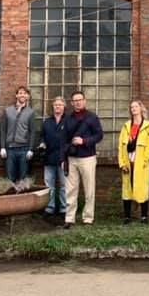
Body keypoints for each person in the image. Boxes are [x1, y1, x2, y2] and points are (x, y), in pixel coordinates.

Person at [62, 90, 103, 228]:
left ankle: (88, 218)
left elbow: (99, 136)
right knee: (70, 190)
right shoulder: (68, 118)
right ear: (72, 103)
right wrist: (63, 159)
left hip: (87, 158)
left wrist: (84, 141)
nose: (78, 102)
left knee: (89, 189)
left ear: (84, 101)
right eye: (75, 100)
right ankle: (69, 218)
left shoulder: (92, 117)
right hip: (71, 158)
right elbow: (63, 140)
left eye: (80, 100)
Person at [118, 100, 149, 224]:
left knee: (142, 189)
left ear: (141, 108)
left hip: (140, 164)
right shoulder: (126, 126)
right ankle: (127, 217)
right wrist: (122, 163)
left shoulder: (147, 126)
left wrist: (144, 160)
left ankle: (144, 216)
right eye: (131, 107)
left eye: (136, 106)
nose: (133, 108)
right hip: (128, 163)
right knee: (127, 190)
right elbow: (120, 146)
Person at [38, 96, 69, 216]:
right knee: (49, 185)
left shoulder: (69, 121)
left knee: (64, 185)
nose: (58, 107)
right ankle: (50, 207)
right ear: (53, 106)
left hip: (64, 158)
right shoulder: (47, 122)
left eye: (60, 105)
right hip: (49, 157)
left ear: (64, 107)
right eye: (56, 105)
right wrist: (42, 143)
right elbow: (42, 136)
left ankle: (64, 208)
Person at [0, 86, 36, 183]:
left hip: (24, 149)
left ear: (27, 96)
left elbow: (32, 132)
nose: (22, 95)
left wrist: (31, 149)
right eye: (20, 93)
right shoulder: (8, 111)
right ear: (16, 95)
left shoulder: (30, 112)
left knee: (23, 179)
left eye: (24, 93)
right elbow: (3, 130)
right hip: (10, 149)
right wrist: (2, 147)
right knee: (9, 178)